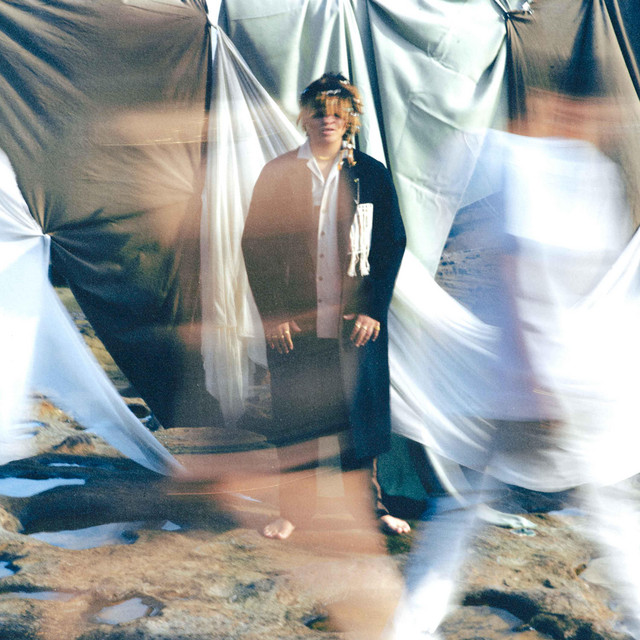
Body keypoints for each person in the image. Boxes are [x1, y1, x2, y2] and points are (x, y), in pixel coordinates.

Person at [241, 73, 406, 539]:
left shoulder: (370, 174)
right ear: (304, 118)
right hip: (295, 323)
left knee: (360, 418)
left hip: (355, 320)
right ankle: (292, 512)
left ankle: (370, 511)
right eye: (318, 111)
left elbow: (391, 243)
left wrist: (373, 309)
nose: (327, 120)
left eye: (337, 112)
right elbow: (255, 246)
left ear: (349, 119)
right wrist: (274, 314)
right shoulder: (279, 173)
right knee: (297, 419)